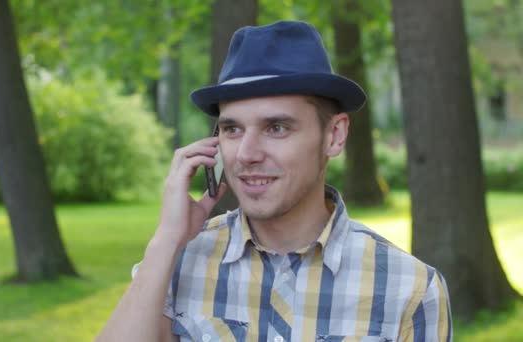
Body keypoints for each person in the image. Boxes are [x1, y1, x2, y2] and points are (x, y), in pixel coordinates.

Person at [96, 21, 452, 342]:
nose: (246, 153)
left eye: (276, 128)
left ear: (335, 135)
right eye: (232, 129)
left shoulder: (410, 290)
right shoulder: (176, 265)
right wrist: (166, 242)